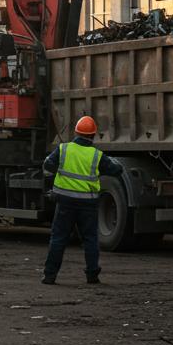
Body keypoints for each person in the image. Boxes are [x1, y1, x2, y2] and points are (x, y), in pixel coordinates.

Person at [41, 115, 124, 285]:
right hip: (88, 204)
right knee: (90, 240)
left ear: (76, 132)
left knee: (58, 239)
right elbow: (117, 170)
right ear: (93, 135)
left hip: (65, 202)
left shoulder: (64, 149)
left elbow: (48, 165)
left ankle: (50, 276)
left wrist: (58, 175)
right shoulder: (96, 155)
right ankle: (92, 276)